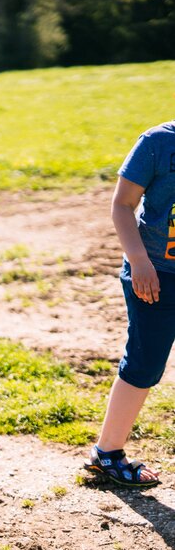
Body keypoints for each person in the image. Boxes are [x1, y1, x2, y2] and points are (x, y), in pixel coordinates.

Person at [84, 121, 175, 487]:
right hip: (155, 273)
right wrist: (139, 261)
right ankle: (107, 453)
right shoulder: (158, 143)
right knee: (144, 362)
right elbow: (122, 205)